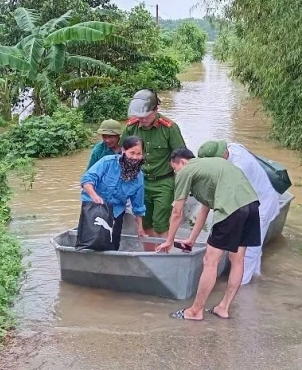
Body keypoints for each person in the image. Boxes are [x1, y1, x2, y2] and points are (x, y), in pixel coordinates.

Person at [156, 148, 261, 321]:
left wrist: (169, 241)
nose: (176, 173)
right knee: (238, 259)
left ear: (181, 162)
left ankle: (195, 311)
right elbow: (205, 209)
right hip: (252, 206)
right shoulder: (211, 167)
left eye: (174, 169)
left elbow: (177, 212)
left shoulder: (186, 170)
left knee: (210, 261)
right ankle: (223, 308)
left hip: (231, 210)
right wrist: (191, 239)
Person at [197, 140, 281, 285]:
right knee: (254, 247)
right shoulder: (232, 147)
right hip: (252, 198)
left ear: (221, 157)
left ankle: (243, 288)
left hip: (261, 203)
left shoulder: (238, 167)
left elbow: (227, 202)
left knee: (247, 250)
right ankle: (256, 276)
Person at [122, 89, 187, 246]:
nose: (142, 119)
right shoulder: (131, 127)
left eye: (146, 116)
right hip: (140, 182)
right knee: (144, 222)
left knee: (161, 222)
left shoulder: (169, 128)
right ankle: (151, 258)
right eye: (140, 116)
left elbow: (181, 157)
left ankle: (163, 258)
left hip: (163, 182)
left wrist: (183, 186)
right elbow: (122, 154)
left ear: (156, 110)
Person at [80, 136, 147, 250]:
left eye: (139, 154)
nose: (135, 157)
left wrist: (140, 228)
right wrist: (94, 196)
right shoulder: (107, 162)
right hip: (94, 208)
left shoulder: (139, 177)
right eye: (132, 153)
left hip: (116, 212)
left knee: (112, 245)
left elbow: (138, 205)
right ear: (123, 151)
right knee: (89, 244)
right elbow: (87, 180)